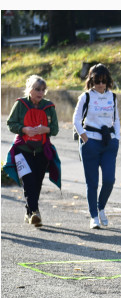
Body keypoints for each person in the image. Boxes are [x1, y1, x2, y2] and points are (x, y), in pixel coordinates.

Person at [4, 75, 61, 227]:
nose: (40, 93)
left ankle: (29, 211)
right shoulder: (20, 104)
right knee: (28, 181)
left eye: (43, 90)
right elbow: (10, 123)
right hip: (22, 150)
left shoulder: (49, 107)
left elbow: (55, 130)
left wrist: (45, 129)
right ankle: (35, 213)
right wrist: (24, 129)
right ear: (29, 89)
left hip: (42, 151)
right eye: (37, 89)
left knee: (37, 183)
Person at [72, 63, 120, 229]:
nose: (100, 85)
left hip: (109, 143)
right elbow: (76, 119)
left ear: (108, 81)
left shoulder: (112, 97)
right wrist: (85, 139)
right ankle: (93, 216)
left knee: (109, 180)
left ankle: (101, 208)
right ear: (91, 82)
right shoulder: (86, 97)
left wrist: (116, 139)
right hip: (90, 142)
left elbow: (117, 119)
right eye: (97, 81)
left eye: (103, 81)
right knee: (92, 183)